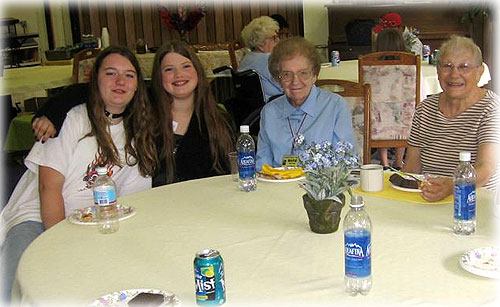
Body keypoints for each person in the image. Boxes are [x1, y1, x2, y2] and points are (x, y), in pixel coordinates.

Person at [0, 46, 158, 302]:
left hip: (93, 222)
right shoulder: (70, 118)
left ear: (138, 86)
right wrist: (61, 240)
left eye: (129, 75)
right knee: (15, 282)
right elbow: (47, 188)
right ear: (95, 80)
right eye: (110, 73)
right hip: (39, 217)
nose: (120, 82)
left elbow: (132, 199)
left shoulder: (138, 129)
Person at [31, 40, 235, 185]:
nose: (178, 75)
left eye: (185, 67)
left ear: (198, 72)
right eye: (168, 69)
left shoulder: (218, 119)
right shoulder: (144, 109)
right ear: (158, 77)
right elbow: (91, 91)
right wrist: (52, 113)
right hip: (154, 208)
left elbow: (229, 174)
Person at [403, 35, 500, 202]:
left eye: (464, 67)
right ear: (438, 71)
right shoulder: (425, 109)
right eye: (447, 66)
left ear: (479, 72)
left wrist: (452, 187)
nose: (454, 74)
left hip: (473, 203)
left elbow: (486, 167)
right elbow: (411, 168)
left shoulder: (491, 108)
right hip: (428, 198)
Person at [256, 37, 355, 170]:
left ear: (314, 75)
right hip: (278, 186)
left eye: (303, 73)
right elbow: (262, 164)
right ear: (278, 78)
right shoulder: (269, 112)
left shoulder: (335, 107)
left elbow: (344, 162)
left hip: (320, 186)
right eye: (287, 74)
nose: (295, 81)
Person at [374, 28, 408, 170]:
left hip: (378, 120)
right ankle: (399, 161)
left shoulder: (371, 68)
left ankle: (384, 161)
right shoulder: (410, 68)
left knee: (380, 113)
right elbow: (421, 98)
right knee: (403, 114)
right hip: (405, 120)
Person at [238, 16, 284, 102]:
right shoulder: (268, 60)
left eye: (277, 36)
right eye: (274, 38)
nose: (278, 40)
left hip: (253, 110)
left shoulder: (247, 59)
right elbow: (288, 85)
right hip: (275, 107)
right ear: (260, 44)